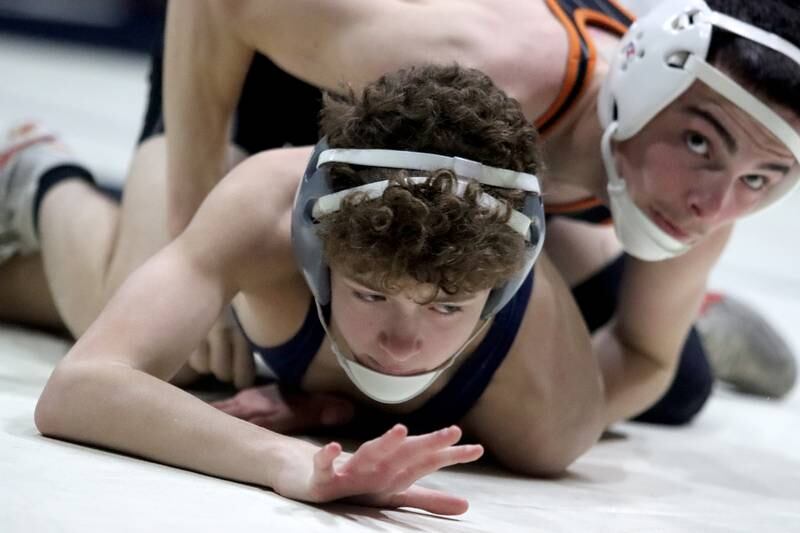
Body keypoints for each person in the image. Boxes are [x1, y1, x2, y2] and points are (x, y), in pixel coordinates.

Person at [152, 0, 798, 419]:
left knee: (680, 381)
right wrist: (187, 214)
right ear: (649, 78)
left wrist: (361, 406)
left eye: (764, 177)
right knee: (173, 343)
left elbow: (643, 360)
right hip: (266, 85)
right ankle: (53, 189)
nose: (715, 204)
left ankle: (692, 311)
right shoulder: (479, 59)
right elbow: (216, 6)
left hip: (459, 200)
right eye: (698, 143)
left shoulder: (707, 194)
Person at [22, 64, 605, 513]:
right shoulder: (268, 209)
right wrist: (290, 460)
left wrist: (334, 410)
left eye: (447, 306)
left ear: (500, 289)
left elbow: (638, 364)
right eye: (371, 293)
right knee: (141, 316)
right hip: (241, 87)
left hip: (582, 267)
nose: (400, 346)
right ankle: (45, 179)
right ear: (312, 244)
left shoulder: (548, 419)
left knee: (677, 386)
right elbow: (77, 389)